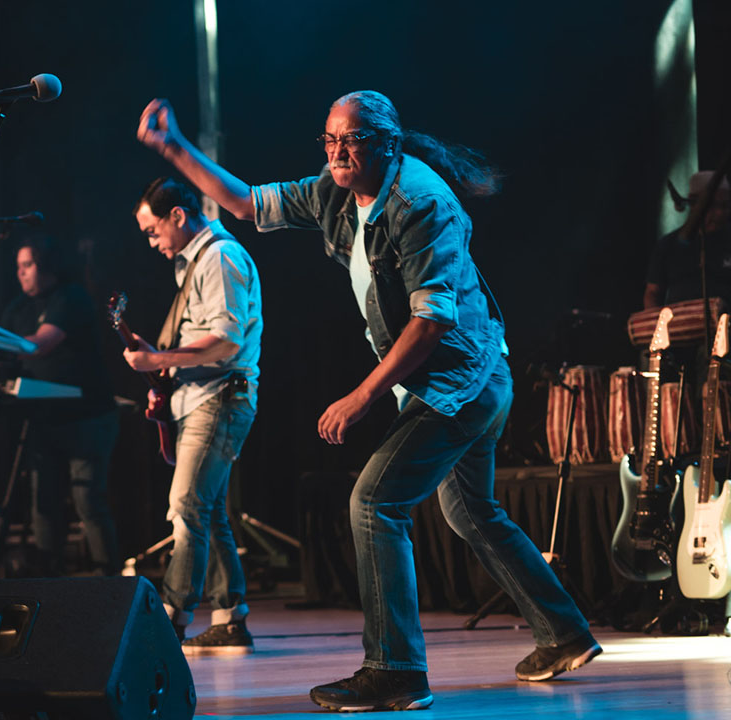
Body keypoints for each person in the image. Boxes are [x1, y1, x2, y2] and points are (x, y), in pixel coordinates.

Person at [135, 91, 598, 711]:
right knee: (471, 512)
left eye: (350, 140)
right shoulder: (334, 188)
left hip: (461, 384)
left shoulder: (420, 202)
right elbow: (246, 204)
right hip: (452, 384)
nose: (337, 153)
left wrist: (362, 395)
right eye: (328, 141)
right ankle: (564, 632)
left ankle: (396, 671)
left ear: (387, 141)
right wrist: (173, 147)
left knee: (374, 502)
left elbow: (431, 321)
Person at [122, 177, 263, 655]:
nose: (152, 242)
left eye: (152, 231)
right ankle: (230, 616)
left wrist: (159, 362)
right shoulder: (197, 262)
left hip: (220, 398)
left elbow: (225, 342)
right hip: (204, 397)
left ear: (178, 216)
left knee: (185, 506)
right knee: (209, 511)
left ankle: (170, 620)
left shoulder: (220, 257)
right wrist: (166, 374)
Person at [0, 234, 121, 576]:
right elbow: (0, 356)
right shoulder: (18, 309)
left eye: (28, 265)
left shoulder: (71, 297)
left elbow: (41, 344)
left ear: (47, 266)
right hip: (44, 420)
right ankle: (48, 586)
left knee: (88, 503)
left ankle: (110, 586)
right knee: (44, 504)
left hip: (87, 417)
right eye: (18, 267)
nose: (21, 273)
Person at [644, 171, 731, 336]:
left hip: (730, 335)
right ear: (694, 203)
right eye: (713, 205)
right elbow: (653, 292)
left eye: (725, 206)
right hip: (678, 336)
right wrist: (658, 326)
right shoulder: (668, 245)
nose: (719, 213)